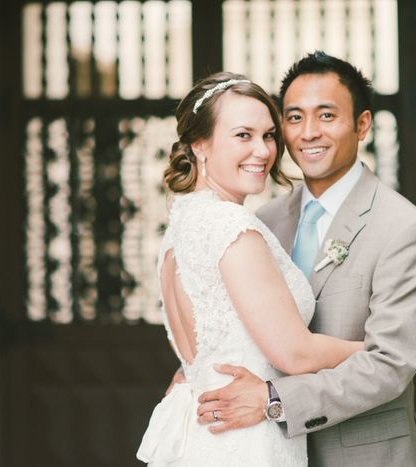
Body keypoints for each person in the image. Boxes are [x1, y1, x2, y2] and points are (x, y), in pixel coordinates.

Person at [194, 52, 416, 467]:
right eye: (294, 118)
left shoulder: (406, 230)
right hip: (268, 452)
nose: (309, 133)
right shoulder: (262, 223)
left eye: (326, 115)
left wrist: (274, 399)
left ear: (362, 124)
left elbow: (390, 366)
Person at [135, 71, 363, 466]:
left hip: (206, 437)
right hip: (247, 440)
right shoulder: (232, 228)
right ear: (200, 145)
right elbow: (295, 353)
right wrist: (380, 351)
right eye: (243, 135)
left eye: (269, 135)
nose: (262, 150)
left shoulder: (181, 225)